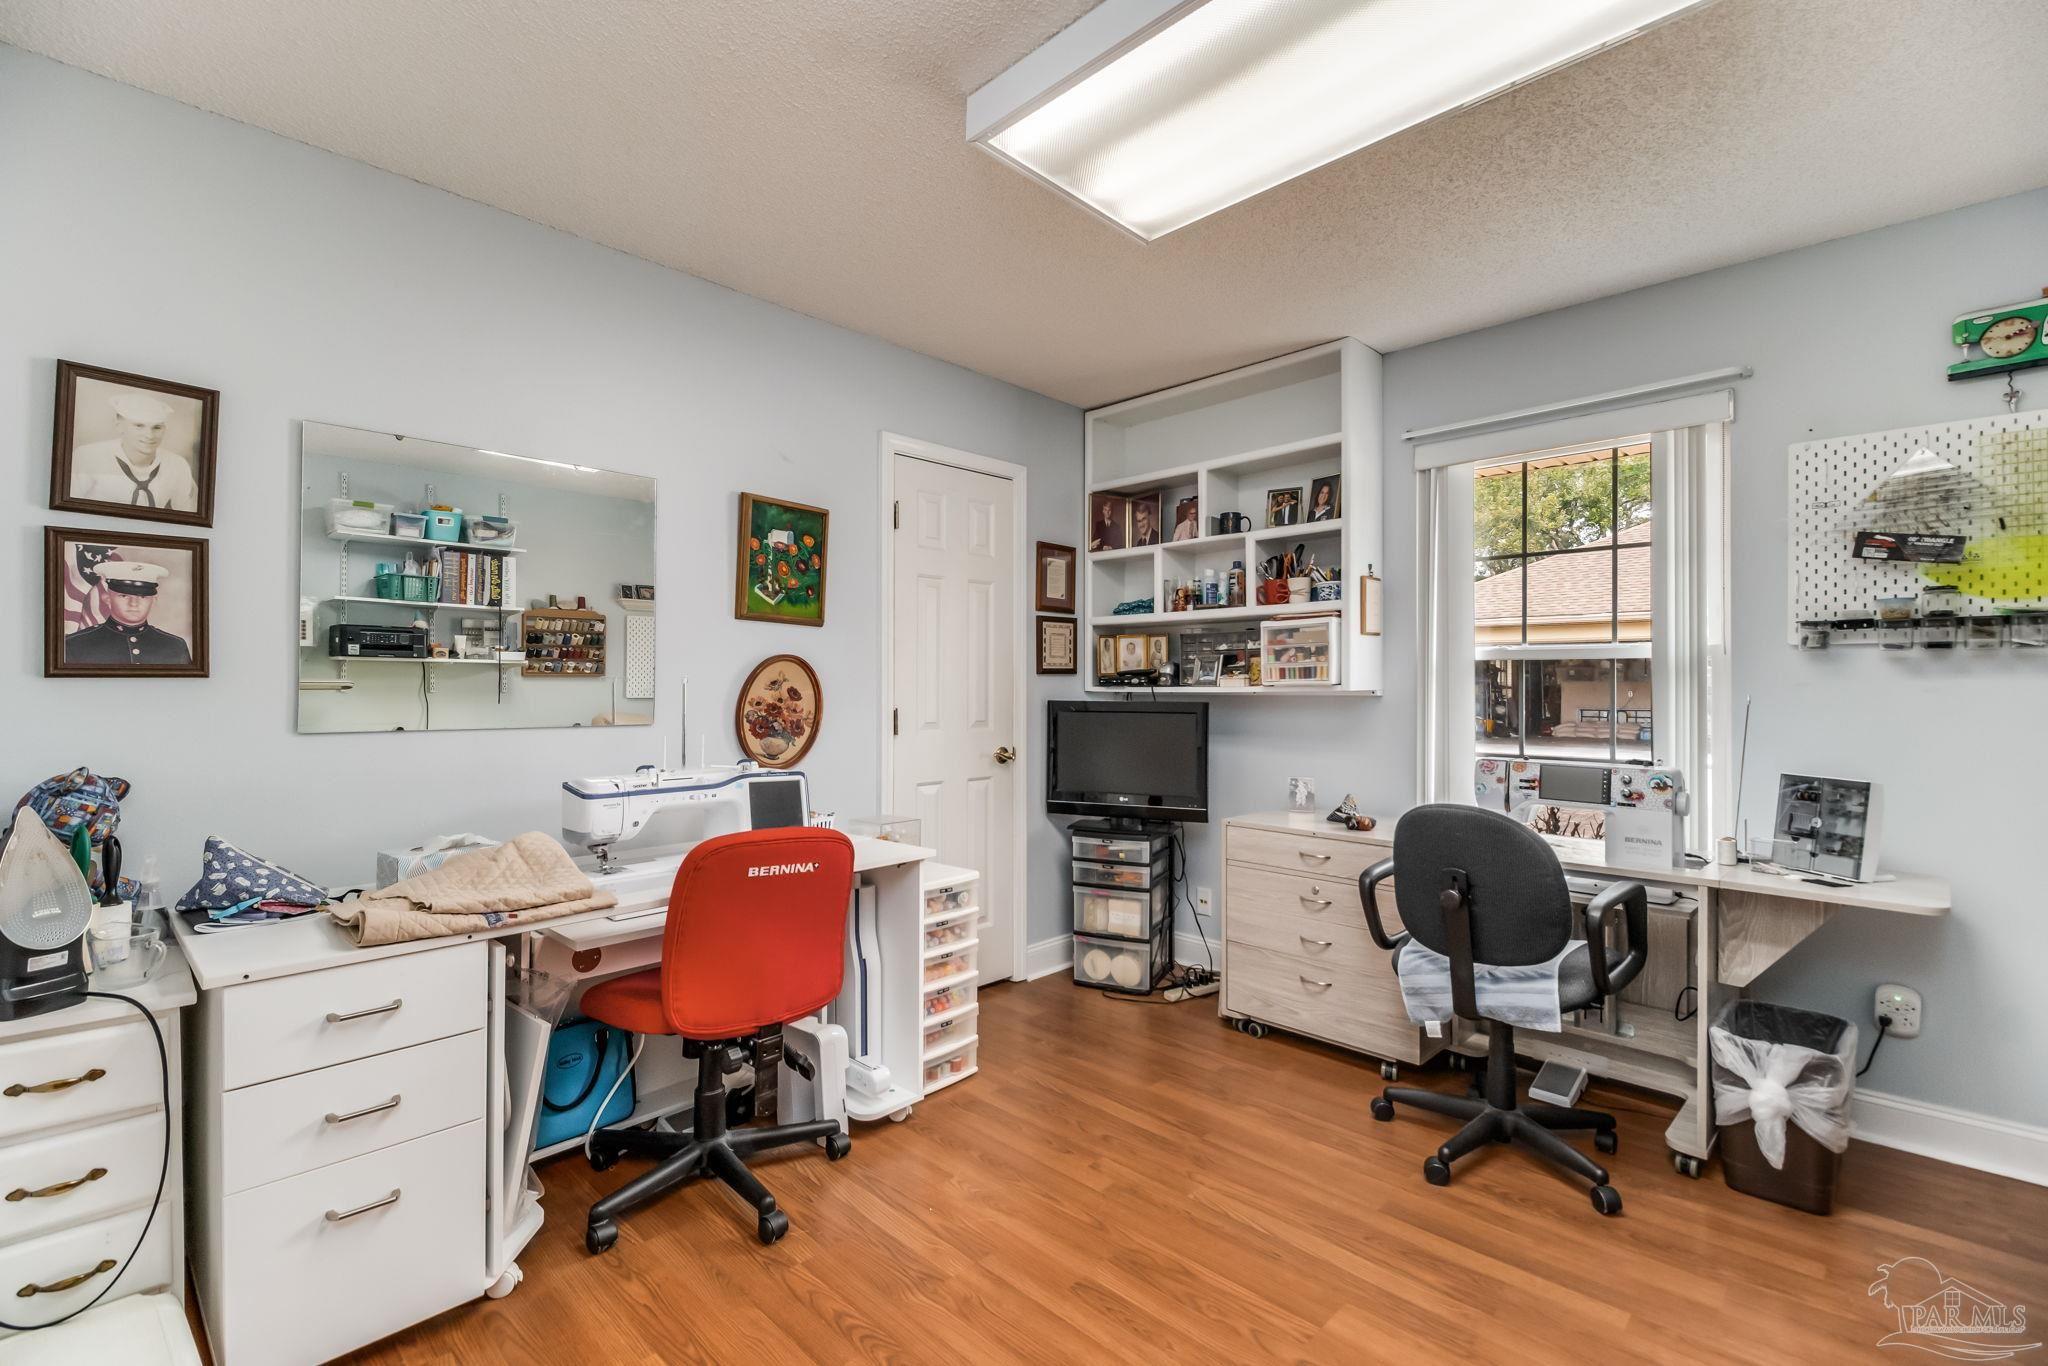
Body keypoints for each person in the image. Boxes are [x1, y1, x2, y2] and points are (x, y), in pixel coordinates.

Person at [69, 390, 200, 512]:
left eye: (157, 427)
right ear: (119, 426)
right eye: (139, 426)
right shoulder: (88, 456)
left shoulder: (177, 465)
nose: (149, 435)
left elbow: (193, 516)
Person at [63, 560, 192, 666]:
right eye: (124, 596)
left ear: (154, 600)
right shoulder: (75, 644)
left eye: (142, 597)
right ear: (107, 599)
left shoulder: (175, 646)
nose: (134, 603)